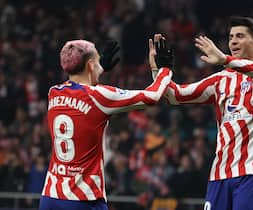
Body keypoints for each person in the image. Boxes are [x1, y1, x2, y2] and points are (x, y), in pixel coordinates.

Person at [149, 16, 253, 210]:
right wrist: (159, 70)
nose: (233, 41)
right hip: (219, 175)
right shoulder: (220, 80)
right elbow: (174, 96)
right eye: (230, 37)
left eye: (240, 36)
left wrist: (225, 60)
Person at [39, 39, 172, 210]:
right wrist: (164, 69)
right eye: (97, 60)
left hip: (50, 196)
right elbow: (153, 96)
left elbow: (82, 88)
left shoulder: (53, 93)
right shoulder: (101, 96)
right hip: (84, 200)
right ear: (90, 65)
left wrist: (97, 68)